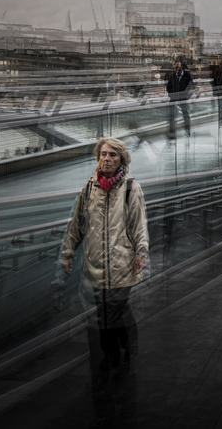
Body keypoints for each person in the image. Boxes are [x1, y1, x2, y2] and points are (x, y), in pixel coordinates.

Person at [61, 138, 149, 386]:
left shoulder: (131, 188)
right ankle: (125, 344)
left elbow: (139, 224)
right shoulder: (89, 188)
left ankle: (111, 356)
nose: (107, 159)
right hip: (96, 264)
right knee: (105, 311)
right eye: (103, 154)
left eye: (112, 155)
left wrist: (141, 251)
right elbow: (77, 224)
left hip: (122, 262)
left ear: (122, 159)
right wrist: (69, 252)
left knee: (112, 311)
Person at [165, 61, 194, 140]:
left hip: (183, 99)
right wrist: (172, 95)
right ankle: (172, 133)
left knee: (186, 115)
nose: (176, 69)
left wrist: (185, 97)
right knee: (172, 116)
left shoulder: (187, 76)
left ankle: (187, 130)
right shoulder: (173, 76)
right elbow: (168, 87)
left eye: (178, 67)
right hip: (174, 99)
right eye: (175, 68)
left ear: (182, 67)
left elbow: (191, 88)